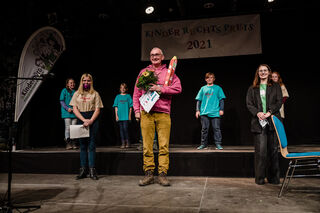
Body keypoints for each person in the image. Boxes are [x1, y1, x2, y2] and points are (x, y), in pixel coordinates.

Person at [133, 47, 182, 186]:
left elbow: (178, 88)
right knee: (147, 146)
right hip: (146, 113)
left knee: (163, 146)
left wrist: (161, 88)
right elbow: (136, 93)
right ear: (150, 57)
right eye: (152, 55)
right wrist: (137, 111)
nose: (154, 57)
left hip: (163, 113)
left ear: (162, 57)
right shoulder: (144, 72)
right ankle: (149, 174)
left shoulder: (168, 73)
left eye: (157, 55)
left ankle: (162, 174)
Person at [246, 64, 283, 185]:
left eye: (265, 70)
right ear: (258, 73)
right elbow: (249, 104)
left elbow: (279, 101)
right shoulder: (252, 88)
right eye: (260, 71)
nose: (263, 72)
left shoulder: (276, 86)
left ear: (269, 72)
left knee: (273, 150)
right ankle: (260, 178)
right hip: (259, 122)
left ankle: (273, 178)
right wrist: (258, 113)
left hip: (272, 120)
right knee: (261, 151)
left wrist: (269, 112)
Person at [69, 73, 104, 180]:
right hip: (81, 118)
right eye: (84, 80)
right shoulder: (77, 94)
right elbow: (74, 109)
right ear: (81, 81)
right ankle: (83, 170)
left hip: (92, 118)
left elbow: (98, 109)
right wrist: (83, 120)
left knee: (92, 145)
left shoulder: (95, 94)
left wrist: (91, 120)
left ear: (91, 82)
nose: (86, 82)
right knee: (83, 145)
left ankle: (92, 170)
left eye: (88, 80)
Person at [195, 72, 226, 150]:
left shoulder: (218, 88)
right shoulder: (203, 88)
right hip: (204, 112)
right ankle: (203, 144)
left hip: (215, 111)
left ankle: (218, 144)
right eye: (208, 78)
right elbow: (198, 100)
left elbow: (221, 99)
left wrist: (221, 109)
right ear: (205, 79)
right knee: (204, 129)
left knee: (216, 128)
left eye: (211, 77)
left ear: (214, 79)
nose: (209, 79)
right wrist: (197, 110)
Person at [60, 78, 78, 150]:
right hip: (66, 112)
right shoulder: (64, 90)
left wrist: (75, 108)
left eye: (73, 83)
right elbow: (62, 101)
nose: (72, 84)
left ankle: (73, 142)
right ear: (67, 84)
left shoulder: (75, 92)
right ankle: (68, 143)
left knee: (74, 128)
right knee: (68, 127)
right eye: (71, 83)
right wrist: (67, 108)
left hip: (74, 112)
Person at [113, 83, 133, 148]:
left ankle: (128, 142)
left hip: (126, 116)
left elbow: (130, 107)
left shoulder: (128, 96)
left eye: (124, 88)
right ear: (120, 89)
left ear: (126, 89)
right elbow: (116, 107)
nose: (123, 89)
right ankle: (123, 143)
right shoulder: (117, 97)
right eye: (121, 88)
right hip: (120, 116)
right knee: (121, 130)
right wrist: (116, 116)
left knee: (125, 129)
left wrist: (129, 115)